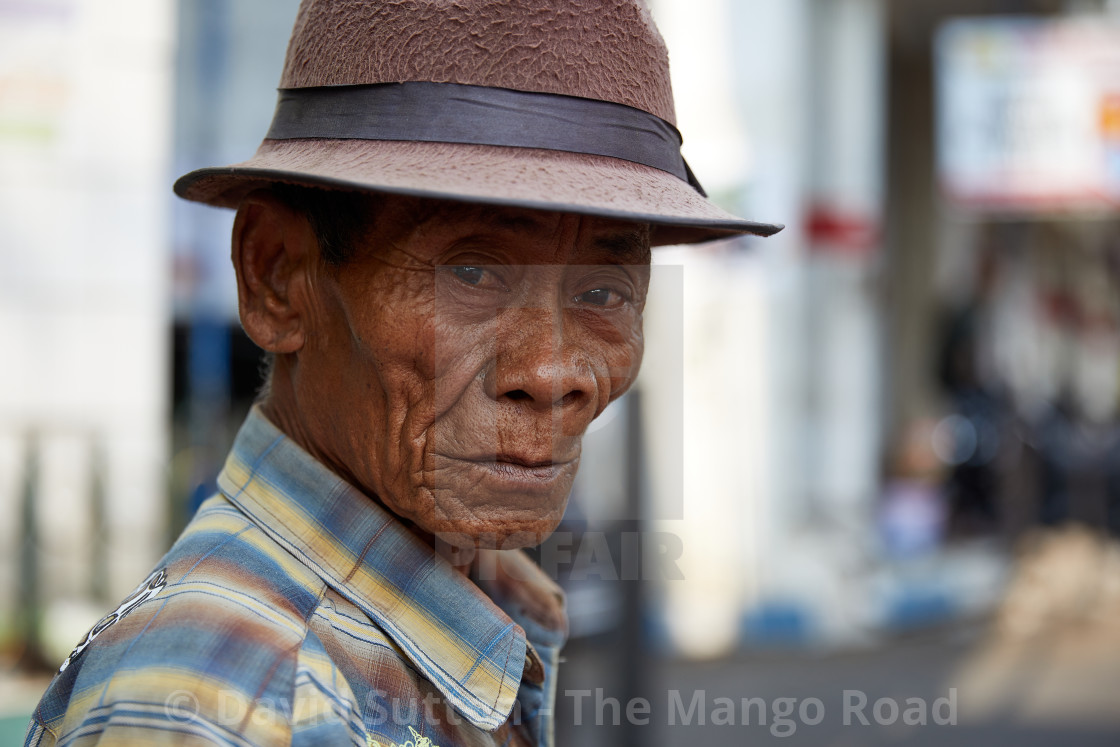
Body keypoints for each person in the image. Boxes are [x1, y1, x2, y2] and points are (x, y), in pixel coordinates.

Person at [25, 1, 779, 745]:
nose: (553, 373)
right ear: (276, 276)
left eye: (602, 292)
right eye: (474, 271)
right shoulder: (239, 707)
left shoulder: (461, 611)